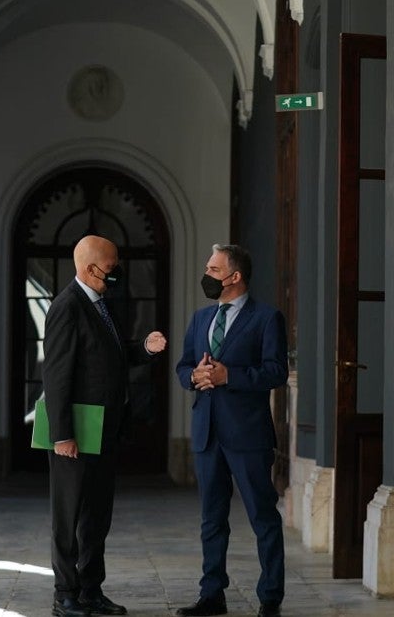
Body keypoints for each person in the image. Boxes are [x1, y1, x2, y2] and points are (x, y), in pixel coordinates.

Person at [44, 234, 167, 617]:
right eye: (112, 268)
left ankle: (91, 591)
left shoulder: (100, 303)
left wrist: (144, 349)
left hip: (104, 428)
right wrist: (61, 434)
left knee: (97, 515)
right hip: (76, 432)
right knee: (68, 516)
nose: (117, 274)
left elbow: (110, 356)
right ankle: (65, 594)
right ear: (89, 268)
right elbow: (57, 375)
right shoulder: (68, 306)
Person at [175, 244, 288, 617]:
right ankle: (212, 595)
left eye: (213, 268)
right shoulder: (200, 318)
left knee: (262, 515)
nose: (206, 275)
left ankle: (270, 597)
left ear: (234, 276)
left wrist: (229, 376)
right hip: (207, 433)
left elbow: (276, 372)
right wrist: (195, 375)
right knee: (211, 518)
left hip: (249, 435)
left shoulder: (267, 318)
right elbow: (183, 367)